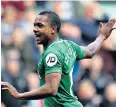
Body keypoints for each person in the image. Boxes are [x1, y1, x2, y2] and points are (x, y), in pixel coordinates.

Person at [1, 11, 116, 107]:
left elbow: (51, 89)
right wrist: (102, 36)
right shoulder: (68, 45)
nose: (35, 30)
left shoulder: (53, 54)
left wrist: (19, 95)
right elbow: (90, 51)